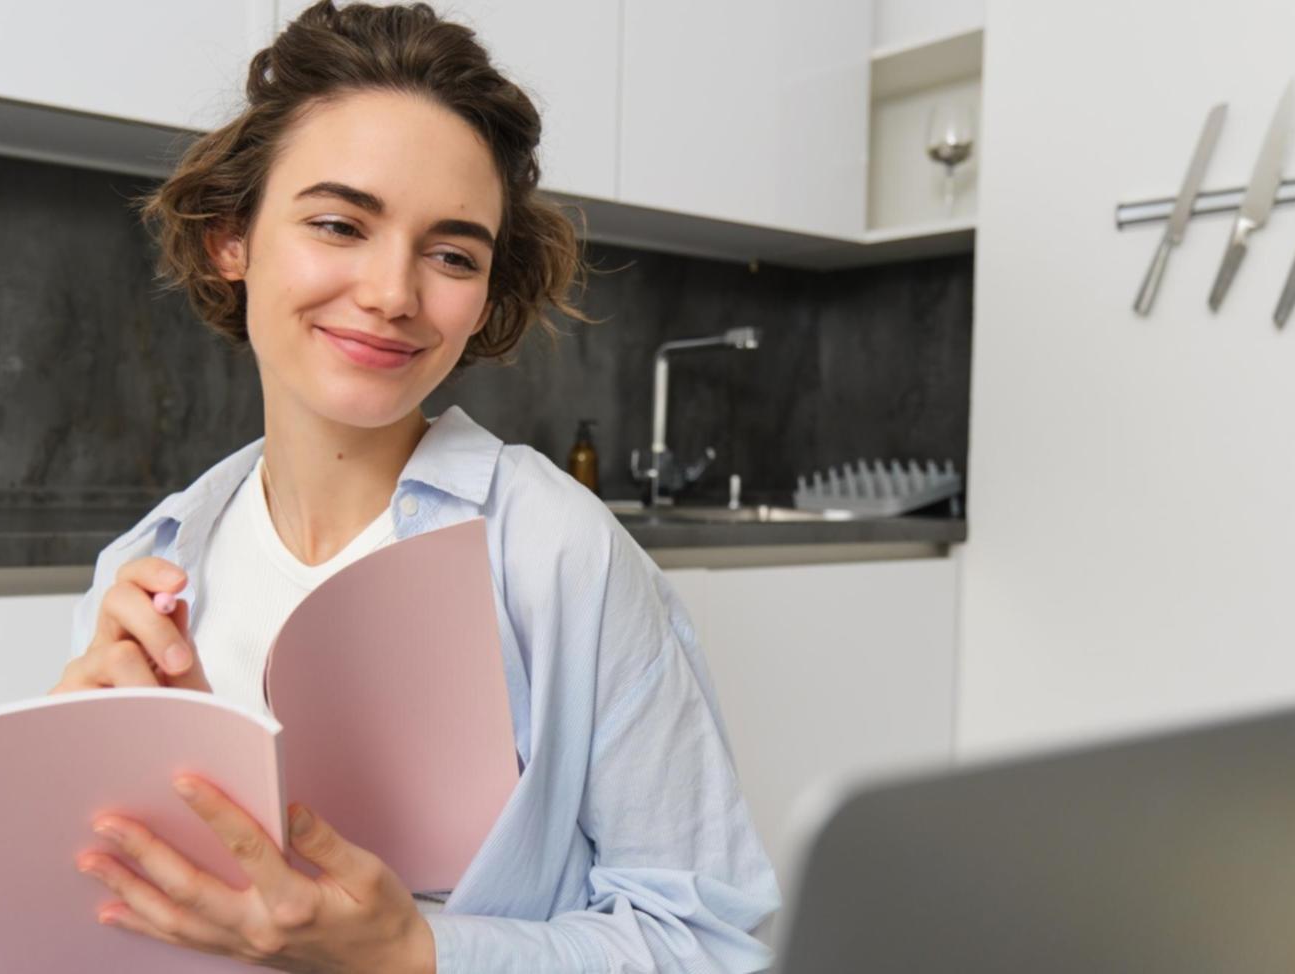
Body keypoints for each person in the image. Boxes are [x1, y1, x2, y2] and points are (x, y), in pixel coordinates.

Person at [51, 2, 780, 971]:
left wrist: (416, 949)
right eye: (338, 222)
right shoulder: (148, 566)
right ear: (233, 237)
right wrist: (61, 772)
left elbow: (706, 941)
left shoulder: (553, 549)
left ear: (482, 296)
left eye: (450, 253)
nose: (393, 292)